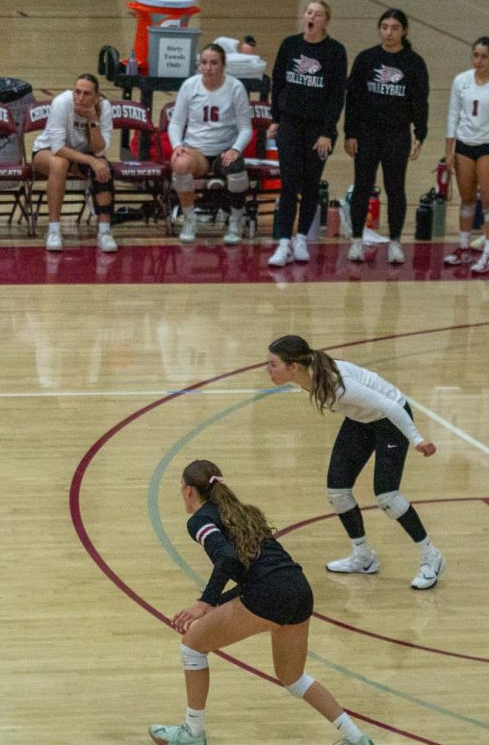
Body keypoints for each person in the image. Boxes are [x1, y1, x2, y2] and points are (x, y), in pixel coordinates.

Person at [148, 460, 375, 745]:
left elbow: (227, 558)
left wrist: (205, 603)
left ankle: (192, 733)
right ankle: (356, 738)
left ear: (189, 490)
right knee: (292, 678)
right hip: (298, 588)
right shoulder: (242, 513)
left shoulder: (199, 521)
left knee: (192, 647)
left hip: (269, 593)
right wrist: (218, 602)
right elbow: (251, 573)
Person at [265, 335, 444, 589]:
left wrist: (417, 439)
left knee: (387, 496)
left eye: (273, 364)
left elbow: (391, 407)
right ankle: (364, 557)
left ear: (293, 366)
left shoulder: (339, 384)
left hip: (390, 420)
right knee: (337, 492)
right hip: (361, 420)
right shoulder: (307, 374)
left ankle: (431, 557)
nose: (267, 369)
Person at [343, 9, 429, 264]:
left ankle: (394, 242)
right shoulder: (366, 59)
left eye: (394, 28)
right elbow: (353, 100)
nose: (388, 32)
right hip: (367, 133)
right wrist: (350, 133)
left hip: (397, 134)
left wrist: (420, 134)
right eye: (384, 27)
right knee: (362, 187)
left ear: (404, 31)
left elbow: (420, 102)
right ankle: (357, 241)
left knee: (395, 189)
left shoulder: (414, 63)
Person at [268, 1, 347, 267]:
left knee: (311, 183)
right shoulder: (290, 45)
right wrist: (275, 119)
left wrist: (327, 131)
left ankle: (301, 238)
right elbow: (278, 81)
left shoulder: (335, 51)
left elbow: (337, 95)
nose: (312, 17)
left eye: (318, 14)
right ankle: (283, 242)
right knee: (289, 182)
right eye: (309, 12)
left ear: (326, 21)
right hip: (290, 123)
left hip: (318, 128)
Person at [167, 44, 253, 245]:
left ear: (223, 65)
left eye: (214, 63)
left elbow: (246, 128)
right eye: (204, 62)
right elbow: (177, 123)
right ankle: (190, 219)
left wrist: (235, 149)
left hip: (224, 150)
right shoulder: (190, 85)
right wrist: (177, 145)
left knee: (236, 167)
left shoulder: (235, 87)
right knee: (179, 163)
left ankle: (236, 220)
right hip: (197, 151)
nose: (208, 67)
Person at [31, 73, 116, 253]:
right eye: (77, 92)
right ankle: (54, 230)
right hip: (46, 152)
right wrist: (91, 160)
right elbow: (58, 148)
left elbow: (100, 150)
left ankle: (104, 232)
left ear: (96, 97)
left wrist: (93, 119)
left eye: (86, 94)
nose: (80, 97)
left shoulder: (105, 107)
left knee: (104, 168)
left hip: (82, 154)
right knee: (60, 164)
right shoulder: (62, 103)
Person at [442, 36, 489, 273]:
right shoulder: (461, 81)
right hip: (464, 145)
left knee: (488, 203)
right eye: (476, 55)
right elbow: (453, 115)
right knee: (467, 198)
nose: (478, 61)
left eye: (484, 57)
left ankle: (488, 253)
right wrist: (448, 151)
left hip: (486, 146)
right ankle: (463, 248)